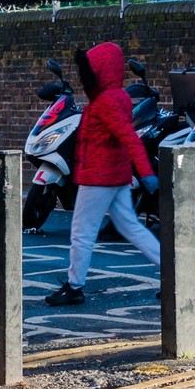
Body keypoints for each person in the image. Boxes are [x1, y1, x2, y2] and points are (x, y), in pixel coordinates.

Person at [45, 41, 161, 307]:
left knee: (82, 233)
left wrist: (146, 172)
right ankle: (176, 275)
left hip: (99, 178)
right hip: (114, 176)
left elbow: (129, 137)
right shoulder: (115, 96)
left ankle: (74, 287)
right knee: (131, 227)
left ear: (101, 71)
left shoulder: (107, 100)